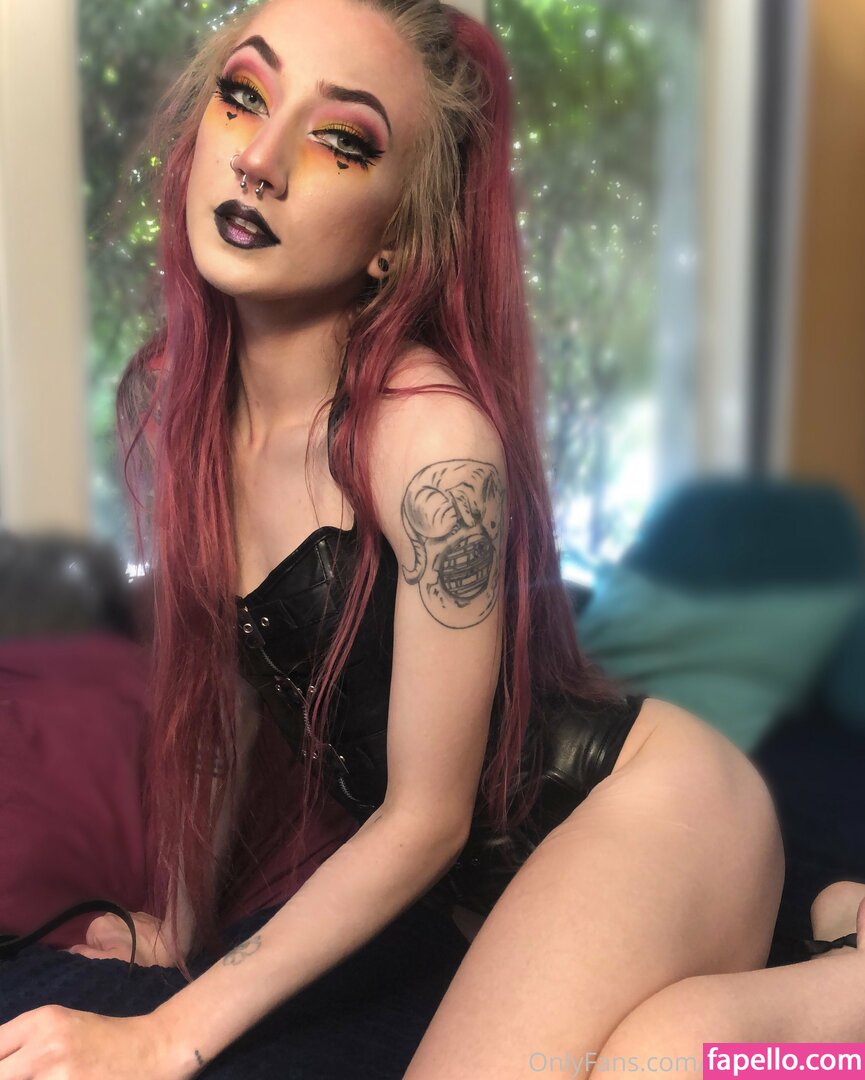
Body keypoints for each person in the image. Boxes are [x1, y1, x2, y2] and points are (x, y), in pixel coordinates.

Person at [1, 0, 863, 1077]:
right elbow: (225, 696)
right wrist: (176, 926)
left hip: (653, 804)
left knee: (653, 1061)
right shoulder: (171, 405)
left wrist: (166, 1034)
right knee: (662, 1053)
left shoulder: (432, 441)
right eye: (244, 96)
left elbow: (424, 820)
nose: (260, 160)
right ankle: (826, 924)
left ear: (395, 240)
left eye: (340, 139)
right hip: (499, 891)